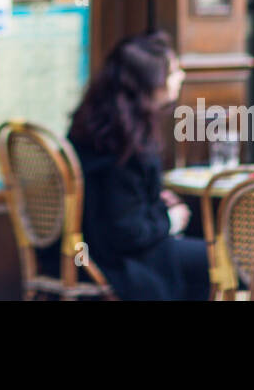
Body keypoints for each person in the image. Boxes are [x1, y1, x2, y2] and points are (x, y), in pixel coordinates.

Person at [67, 31, 210, 300]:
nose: (181, 76)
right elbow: (127, 232)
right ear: (151, 84)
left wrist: (154, 202)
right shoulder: (124, 143)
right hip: (117, 259)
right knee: (221, 259)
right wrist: (169, 221)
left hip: (93, 246)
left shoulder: (100, 124)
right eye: (174, 71)